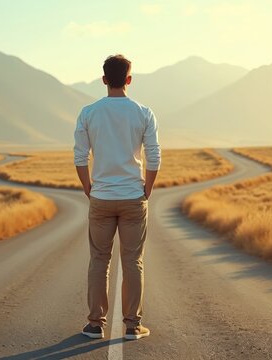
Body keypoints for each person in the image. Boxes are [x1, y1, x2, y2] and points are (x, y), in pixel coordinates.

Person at [74, 54, 161, 341]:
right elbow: (154, 156)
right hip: (133, 197)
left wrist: (90, 189)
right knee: (133, 260)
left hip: (101, 197)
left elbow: (79, 157)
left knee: (99, 259)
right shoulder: (143, 112)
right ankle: (133, 326)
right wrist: (146, 189)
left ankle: (95, 324)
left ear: (103, 80)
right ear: (129, 79)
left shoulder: (88, 113)